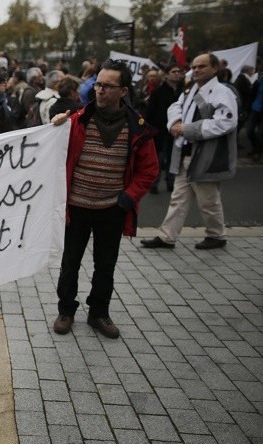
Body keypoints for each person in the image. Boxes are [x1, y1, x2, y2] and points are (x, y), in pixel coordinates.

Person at [50, 59, 158, 339]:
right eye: (98, 84)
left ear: (123, 91)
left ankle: (99, 312)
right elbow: (52, 153)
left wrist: (127, 199)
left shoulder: (137, 127)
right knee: (70, 262)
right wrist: (55, 127)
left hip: (112, 208)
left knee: (105, 265)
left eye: (108, 86)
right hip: (77, 207)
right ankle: (65, 310)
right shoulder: (77, 120)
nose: (100, 90)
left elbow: (149, 170)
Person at [140, 53, 238, 251]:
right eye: (194, 67)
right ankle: (167, 236)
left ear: (214, 68)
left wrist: (188, 129)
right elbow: (175, 107)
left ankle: (216, 235)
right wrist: (176, 124)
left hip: (205, 155)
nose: (197, 70)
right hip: (185, 152)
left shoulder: (223, 92)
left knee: (208, 199)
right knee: (178, 198)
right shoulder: (191, 89)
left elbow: (226, 122)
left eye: (202, 66)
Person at [145, 64, 184, 193]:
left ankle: (170, 181)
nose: (177, 74)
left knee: (173, 157)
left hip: (177, 131)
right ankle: (154, 184)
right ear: (166, 75)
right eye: (174, 71)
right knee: (159, 159)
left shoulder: (183, 92)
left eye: (179, 71)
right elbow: (150, 113)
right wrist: (149, 131)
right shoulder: (157, 92)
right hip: (160, 131)